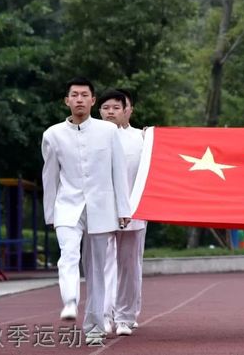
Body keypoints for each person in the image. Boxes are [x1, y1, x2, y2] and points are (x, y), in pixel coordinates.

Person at [42, 78, 131, 344]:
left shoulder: (108, 132)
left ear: (93, 101)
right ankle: (69, 300)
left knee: (96, 269)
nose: (79, 99)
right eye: (74, 95)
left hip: (101, 207)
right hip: (68, 206)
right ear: (66, 101)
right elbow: (50, 177)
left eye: (84, 95)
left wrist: (123, 208)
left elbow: (119, 172)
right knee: (68, 253)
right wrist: (51, 214)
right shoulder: (53, 134)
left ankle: (94, 326)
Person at [99, 89, 146, 336]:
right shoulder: (91, 137)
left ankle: (125, 317)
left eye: (116, 108)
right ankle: (105, 316)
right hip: (102, 212)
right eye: (106, 108)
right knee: (104, 265)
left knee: (129, 265)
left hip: (133, 211)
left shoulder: (142, 138)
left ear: (127, 110)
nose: (111, 112)